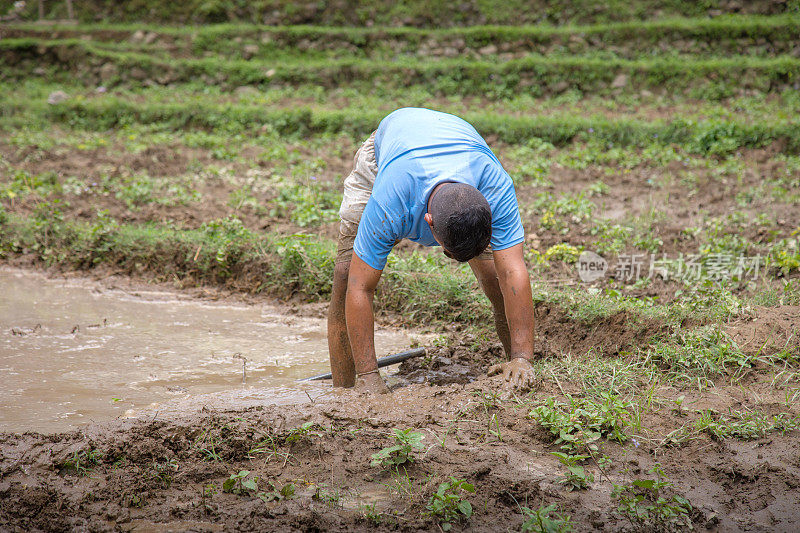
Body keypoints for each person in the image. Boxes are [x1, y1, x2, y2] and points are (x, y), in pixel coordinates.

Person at [327, 107, 536, 393]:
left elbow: (513, 270)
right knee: (345, 274)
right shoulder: (390, 200)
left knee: (494, 276)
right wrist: (370, 377)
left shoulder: (495, 187)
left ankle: (514, 366)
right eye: (449, 253)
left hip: (455, 141)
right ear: (428, 225)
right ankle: (347, 389)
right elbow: (360, 287)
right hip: (388, 156)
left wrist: (523, 358)